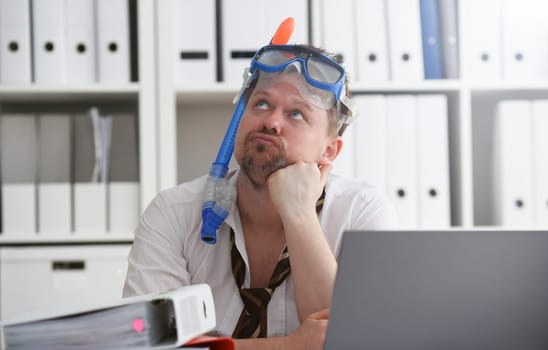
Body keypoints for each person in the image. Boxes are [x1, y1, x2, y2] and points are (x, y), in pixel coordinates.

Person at [123, 43, 398, 349]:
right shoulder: (173, 212)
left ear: (329, 150)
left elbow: (353, 344)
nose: (272, 121)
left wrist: (300, 215)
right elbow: (144, 346)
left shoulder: (360, 212)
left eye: (296, 113)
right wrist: (290, 347)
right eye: (262, 104)